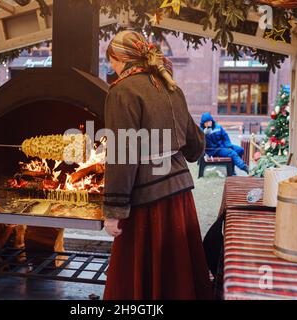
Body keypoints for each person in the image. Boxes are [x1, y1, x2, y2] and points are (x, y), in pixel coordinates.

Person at [102, 30, 213, 300]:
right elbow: (196, 147)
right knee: (177, 277)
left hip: (147, 203)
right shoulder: (171, 87)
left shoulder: (122, 90)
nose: (112, 68)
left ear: (122, 58)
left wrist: (114, 210)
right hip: (180, 198)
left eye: (112, 61)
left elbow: (122, 154)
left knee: (140, 285)